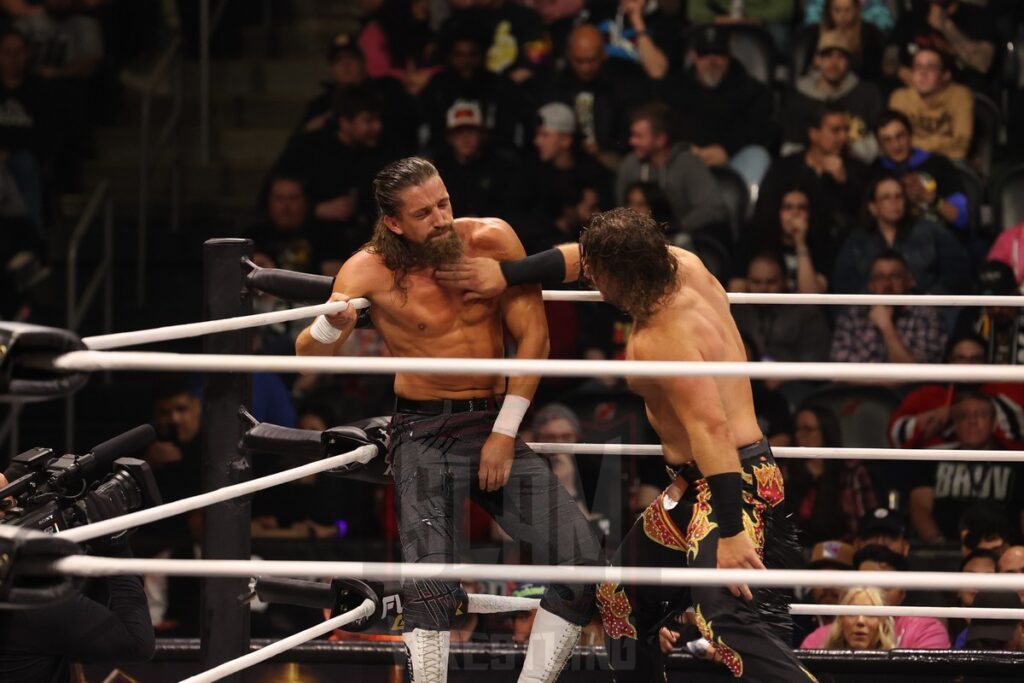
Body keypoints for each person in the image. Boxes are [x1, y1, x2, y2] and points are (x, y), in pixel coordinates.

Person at [436, 208, 813, 681]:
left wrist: (734, 533)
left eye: (597, 272)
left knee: (723, 618)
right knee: (619, 603)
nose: (587, 277)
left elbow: (712, 431)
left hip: (730, 485)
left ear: (620, 273)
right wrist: (506, 274)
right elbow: (580, 258)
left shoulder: (663, 339)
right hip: (693, 487)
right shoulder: (683, 264)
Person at [295, 157, 601, 681]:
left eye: (444, 203)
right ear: (393, 222)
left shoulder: (490, 240)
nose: (440, 218)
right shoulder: (368, 269)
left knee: (582, 559)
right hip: (421, 431)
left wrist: (505, 433)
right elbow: (307, 355)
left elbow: (535, 339)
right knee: (431, 586)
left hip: (490, 419)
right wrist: (332, 323)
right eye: (423, 212)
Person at [655, 24, 775, 190]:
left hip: (734, 157)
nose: (712, 60)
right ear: (693, 56)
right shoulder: (676, 89)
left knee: (758, 156)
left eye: (718, 53)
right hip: (687, 158)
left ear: (729, 56)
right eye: (704, 54)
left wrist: (726, 149)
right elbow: (667, 125)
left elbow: (759, 129)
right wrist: (688, 150)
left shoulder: (752, 89)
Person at [911, 391, 1024, 545]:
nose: (972, 421)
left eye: (981, 415)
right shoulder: (934, 458)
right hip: (946, 550)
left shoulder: (1016, 461)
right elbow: (920, 506)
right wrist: (937, 544)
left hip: (1004, 551)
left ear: (994, 423)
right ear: (955, 424)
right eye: (963, 416)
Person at [831, 175, 970, 296]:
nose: (894, 202)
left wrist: (932, 299)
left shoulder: (930, 231)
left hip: (927, 313)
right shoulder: (857, 242)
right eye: (886, 197)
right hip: (871, 317)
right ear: (873, 207)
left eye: (899, 196)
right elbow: (844, 284)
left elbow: (957, 269)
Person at [614, 101, 729, 239]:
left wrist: (673, 229)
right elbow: (620, 208)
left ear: (660, 139)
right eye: (632, 135)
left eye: (639, 136)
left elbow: (713, 208)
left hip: (683, 239)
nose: (632, 141)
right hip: (637, 241)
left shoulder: (687, 164)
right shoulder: (630, 165)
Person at [753, 103, 868, 239]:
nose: (844, 137)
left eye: (846, 130)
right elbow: (765, 212)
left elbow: (865, 216)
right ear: (814, 134)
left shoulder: (858, 169)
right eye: (835, 130)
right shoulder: (785, 168)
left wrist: (844, 183)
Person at [781, 30, 882, 165]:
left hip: (856, 169)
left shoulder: (867, 94)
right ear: (818, 60)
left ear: (849, 62)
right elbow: (789, 147)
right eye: (828, 56)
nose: (834, 63)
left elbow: (877, 145)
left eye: (841, 57)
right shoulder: (798, 97)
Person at [829, 250, 948, 365]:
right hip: (857, 386)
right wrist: (889, 381)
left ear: (909, 281)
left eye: (895, 277)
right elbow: (839, 369)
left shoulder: (926, 315)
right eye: (880, 277)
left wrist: (886, 327)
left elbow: (919, 374)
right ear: (871, 285)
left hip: (911, 386)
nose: (887, 284)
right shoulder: (853, 315)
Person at [784, 404, 878, 545]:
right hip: (793, 550)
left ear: (826, 432)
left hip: (839, 551)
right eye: (797, 429)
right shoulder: (786, 470)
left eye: (807, 429)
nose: (798, 435)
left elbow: (865, 525)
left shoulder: (850, 471)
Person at [872, 109, 969, 233]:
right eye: (887, 140)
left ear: (910, 135)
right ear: (880, 145)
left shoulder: (938, 164)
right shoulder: (875, 171)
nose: (896, 145)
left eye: (900, 136)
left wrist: (933, 200)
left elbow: (962, 219)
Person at [889, 47, 973, 162]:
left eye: (931, 67)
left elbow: (961, 148)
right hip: (910, 165)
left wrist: (912, 144)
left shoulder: (960, 95)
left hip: (948, 165)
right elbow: (894, 146)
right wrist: (942, 141)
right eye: (918, 67)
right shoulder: (900, 97)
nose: (923, 73)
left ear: (946, 75)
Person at [952, 261, 1024, 365]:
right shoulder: (971, 317)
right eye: (989, 303)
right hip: (981, 379)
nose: (997, 309)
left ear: (1016, 294)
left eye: (1003, 301)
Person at [805, 587, 896, 650]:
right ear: (841, 621)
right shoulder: (820, 663)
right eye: (852, 613)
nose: (860, 621)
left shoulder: (897, 666)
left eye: (870, 614)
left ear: (883, 623)